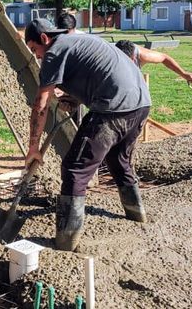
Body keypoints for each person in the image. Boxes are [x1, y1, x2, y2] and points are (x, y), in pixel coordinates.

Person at [24, 19, 151, 251]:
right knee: (118, 160)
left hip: (113, 109)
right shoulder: (83, 39)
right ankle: (137, 214)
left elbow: (40, 103)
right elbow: (100, 73)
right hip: (141, 104)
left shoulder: (54, 51)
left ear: (44, 39)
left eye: (35, 50)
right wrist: (73, 98)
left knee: (74, 168)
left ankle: (66, 241)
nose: (38, 57)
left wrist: (33, 148)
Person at [114, 40, 192, 83]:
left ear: (133, 57)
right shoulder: (109, 58)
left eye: (129, 61)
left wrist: (184, 74)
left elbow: (164, 58)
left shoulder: (143, 55)